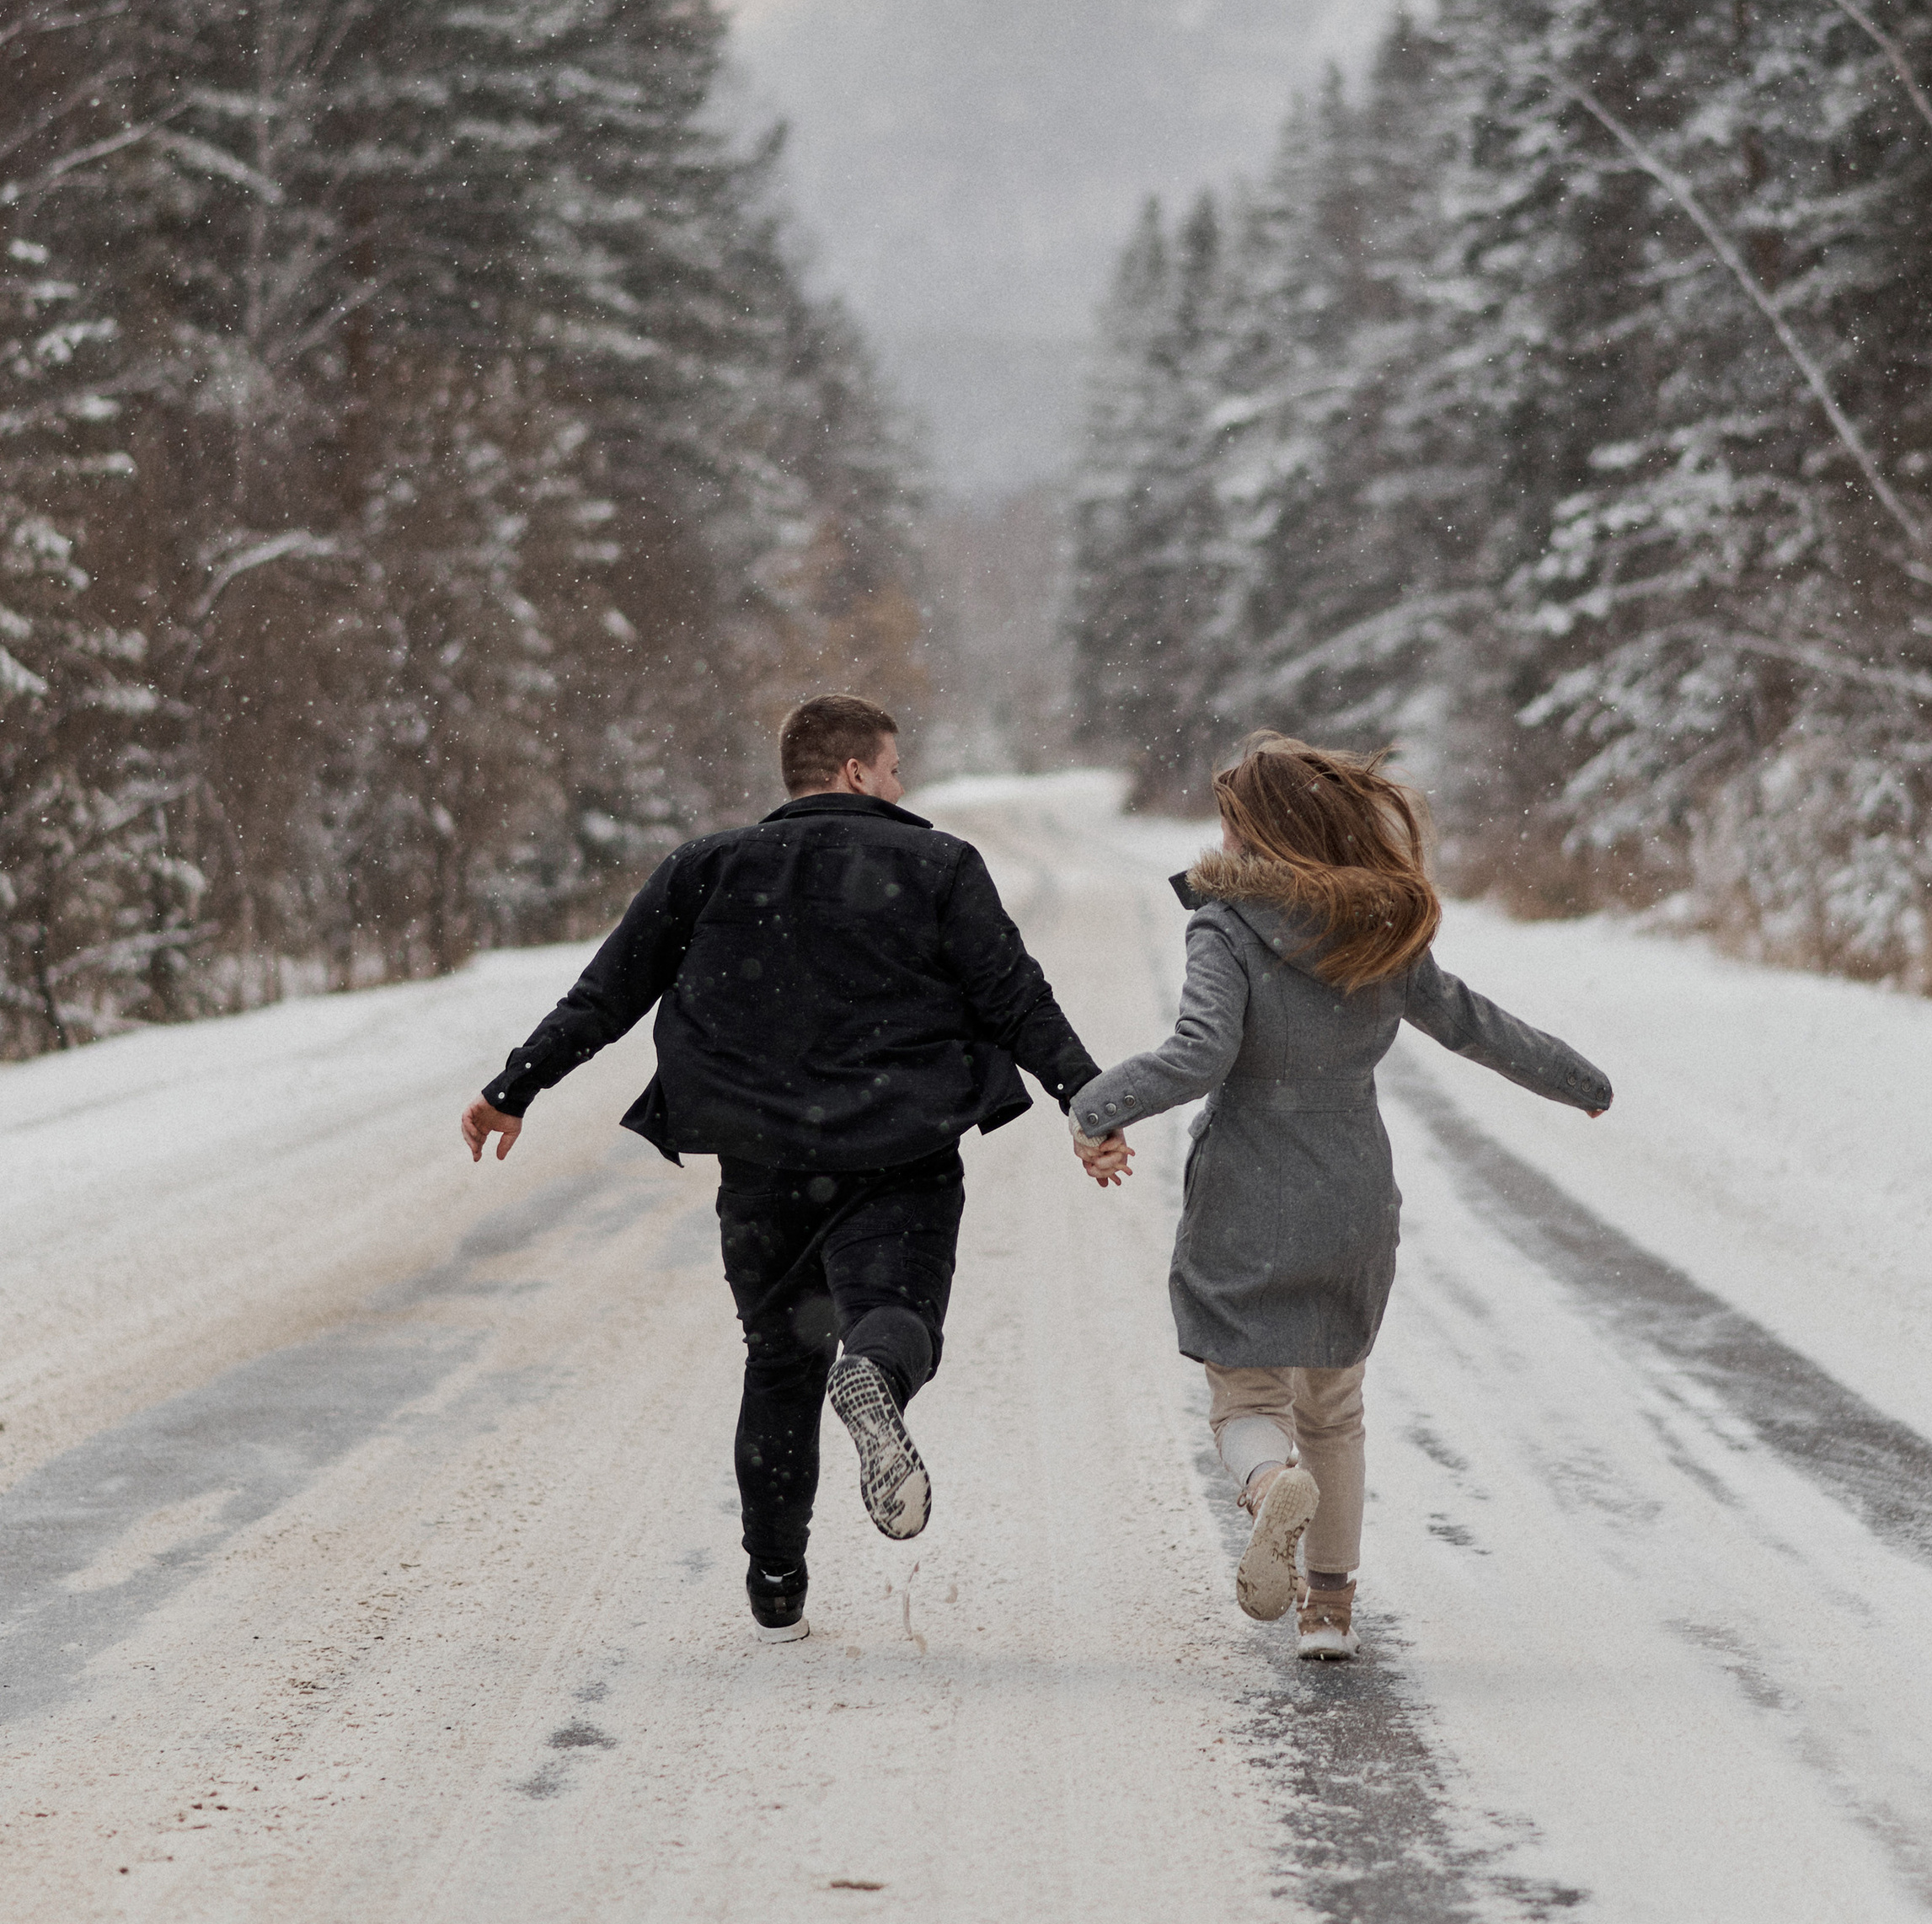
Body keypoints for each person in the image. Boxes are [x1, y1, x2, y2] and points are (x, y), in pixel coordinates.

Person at [459, 694, 1101, 1644]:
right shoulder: (938, 865)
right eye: (891, 770)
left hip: (764, 1159)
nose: (898, 786)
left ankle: (775, 1582)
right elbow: (1013, 994)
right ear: (853, 773)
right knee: (897, 1312)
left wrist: (516, 1086)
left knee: (779, 1360)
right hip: (903, 1147)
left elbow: (610, 990)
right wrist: (1086, 1100)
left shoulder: (707, 867)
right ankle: (876, 1374)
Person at [1065, 732, 1609, 1662]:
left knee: (1246, 1396)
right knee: (1335, 1407)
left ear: (1255, 831)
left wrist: (1095, 1105)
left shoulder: (1224, 926)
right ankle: (1328, 1610)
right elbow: (1470, 1025)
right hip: (1352, 1192)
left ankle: (1266, 1484)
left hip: (1244, 1189)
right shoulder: (1378, 930)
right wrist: (1580, 1080)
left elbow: (1200, 1055)